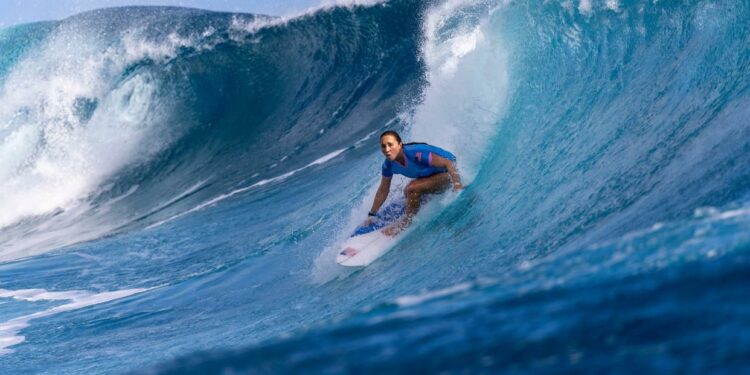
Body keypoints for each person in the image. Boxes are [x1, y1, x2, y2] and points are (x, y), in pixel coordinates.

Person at [367, 130, 464, 236]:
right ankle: (422, 201)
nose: (387, 149)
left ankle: (406, 222)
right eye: (383, 146)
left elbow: (448, 163)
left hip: (449, 173)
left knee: (412, 189)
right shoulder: (388, 165)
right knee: (407, 192)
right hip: (431, 175)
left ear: (400, 145)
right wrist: (372, 214)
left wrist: (457, 184)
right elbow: (383, 190)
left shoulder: (416, 154)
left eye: (390, 145)